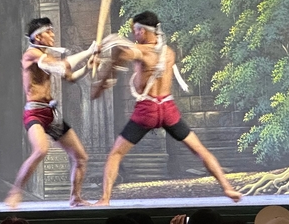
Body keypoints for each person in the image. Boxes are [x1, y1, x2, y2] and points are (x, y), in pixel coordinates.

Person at [91, 11, 242, 205]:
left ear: (144, 31)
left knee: (116, 154)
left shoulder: (140, 51)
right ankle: (227, 188)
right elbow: (127, 49)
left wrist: (100, 81)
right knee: (200, 150)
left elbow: (122, 55)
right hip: (168, 109)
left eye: (136, 30)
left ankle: (104, 198)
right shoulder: (169, 52)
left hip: (147, 110)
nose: (134, 35)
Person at [4, 17, 97, 208]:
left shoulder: (46, 57)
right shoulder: (31, 54)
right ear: (38, 37)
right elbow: (62, 66)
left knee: (81, 157)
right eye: (49, 32)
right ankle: (15, 192)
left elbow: (70, 76)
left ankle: (75, 197)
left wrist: (87, 67)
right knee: (41, 150)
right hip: (34, 113)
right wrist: (88, 52)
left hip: (50, 114)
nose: (53, 35)